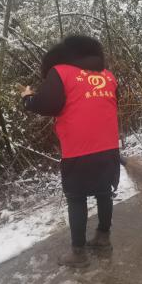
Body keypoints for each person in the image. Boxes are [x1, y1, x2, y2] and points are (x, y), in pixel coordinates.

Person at [19, 35, 120, 268]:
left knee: (76, 199)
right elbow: (112, 103)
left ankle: (78, 253)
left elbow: (48, 105)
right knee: (104, 193)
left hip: (78, 149)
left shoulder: (61, 72)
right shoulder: (108, 76)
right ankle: (103, 239)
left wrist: (28, 99)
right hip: (109, 146)